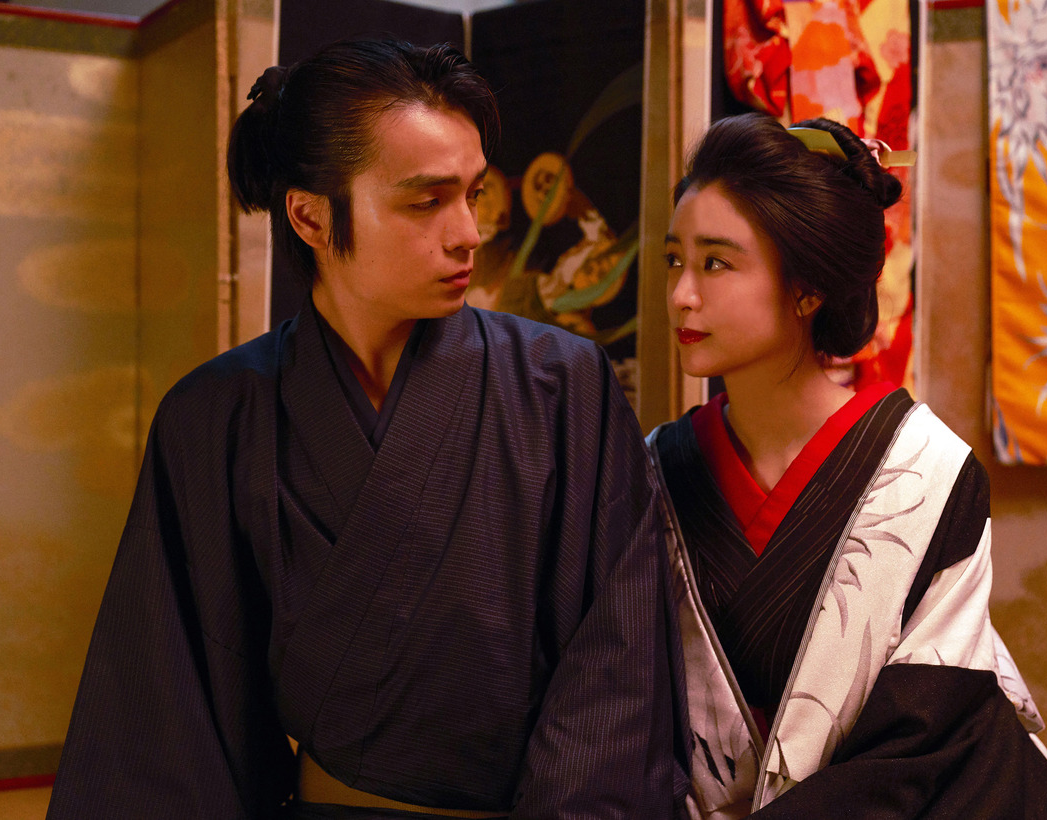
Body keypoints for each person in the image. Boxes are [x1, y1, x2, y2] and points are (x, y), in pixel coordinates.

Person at [47, 39, 687, 819]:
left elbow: (618, 669)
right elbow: (169, 715)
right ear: (310, 216)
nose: (468, 233)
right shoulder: (216, 418)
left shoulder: (564, 386)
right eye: (425, 202)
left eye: (473, 194)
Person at [648, 113, 1047, 818]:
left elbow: (923, 733)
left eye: (716, 263)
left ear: (807, 289)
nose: (681, 295)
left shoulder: (931, 472)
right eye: (675, 260)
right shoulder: (653, 471)